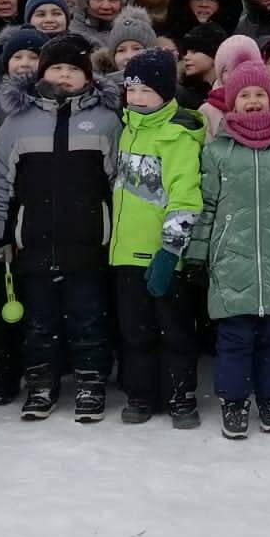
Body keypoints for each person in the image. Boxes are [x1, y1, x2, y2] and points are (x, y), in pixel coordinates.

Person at [182, 59, 270, 440]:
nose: (252, 100)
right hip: (232, 262)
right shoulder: (217, 152)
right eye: (244, 94)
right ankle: (234, 399)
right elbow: (207, 207)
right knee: (234, 339)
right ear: (231, 102)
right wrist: (196, 255)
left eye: (259, 93)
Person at [0, 34, 123, 423]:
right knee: (39, 321)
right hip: (33, 242)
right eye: (56, 68)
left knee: (89, 316)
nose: (64, 76)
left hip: (89, 241)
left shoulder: (105, 121)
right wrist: (0, 234)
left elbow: (120, 183)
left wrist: (116, 233)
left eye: (74, 70)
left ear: (88, 77)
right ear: (42, 72)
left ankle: (90, 382)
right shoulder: (18, 122)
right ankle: (41, 384)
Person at [109, 47, 207, 428]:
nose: (136, 99)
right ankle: (141, 393)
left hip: (163, 256)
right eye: (131, 91)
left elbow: (185, 198)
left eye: (146, 91)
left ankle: (180, 395)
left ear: (166, 92)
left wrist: (169, 251)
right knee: (134, 333)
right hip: (124, 256)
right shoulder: (125, 131)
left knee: (175, 332)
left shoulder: (176, 136)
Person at [0, 26, 47, 405]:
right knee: (6, 300)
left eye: (33, 57)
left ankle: (42, 369)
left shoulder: (56, 102)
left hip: (44, 210)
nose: (24, 64)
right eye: (17, 57)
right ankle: (6, 373)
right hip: (3, 206)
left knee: (40, 300)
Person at [176, 23, 227, 111]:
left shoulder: (231, 90)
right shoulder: (183, 94)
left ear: (214, 54)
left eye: (194, 51)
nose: (186, 57)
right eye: (186, 52)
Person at [107, 6, 157, 74]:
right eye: (121, 50)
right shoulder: (97, 82)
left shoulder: (168, 82)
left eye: (137, 49)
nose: (129, 56)